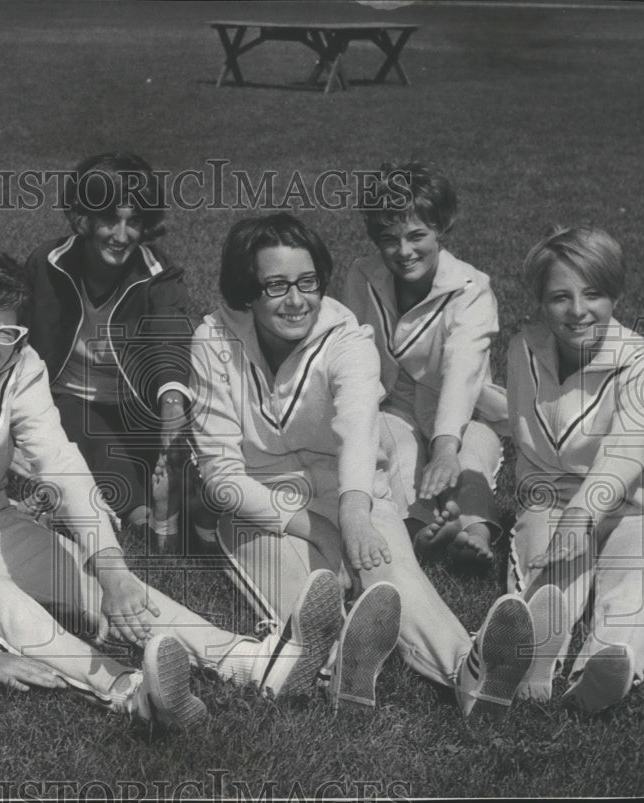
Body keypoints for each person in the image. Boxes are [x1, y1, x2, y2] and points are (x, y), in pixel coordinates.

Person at [0, 245, 359, 729]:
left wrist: (113, 571)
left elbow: (62, 466)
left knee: (97, 584)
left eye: (6, 333)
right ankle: (131, 691)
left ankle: (251, 661)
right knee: (2, 600)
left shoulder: (23, 366)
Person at [191, 213, 536, 717]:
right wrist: (323, 532)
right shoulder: (212, 341)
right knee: (314, 590)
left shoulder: (348, 336)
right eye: (276, 286)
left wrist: (353, 517)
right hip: (256, 504)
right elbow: (221, 479)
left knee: (394, 572)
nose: (296, 300)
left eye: (308, 282)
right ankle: (335, 666)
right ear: (247, 290)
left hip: (344, 486)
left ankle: (469, 669)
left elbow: (357, 430)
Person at [506, 226, 644, 713]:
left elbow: (624, 452)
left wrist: (583, 516)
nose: (577, 310)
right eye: (560, 296)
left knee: (636, 580)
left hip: (639, 505)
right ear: (540, 301)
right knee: (550, 574)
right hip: (552, 498)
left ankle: (605, 662)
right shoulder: (523, 350)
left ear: (615, 293)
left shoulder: (643, 364)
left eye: (593, 293)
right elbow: (525, 437)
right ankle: (535, 653)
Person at [22, 152, 194, 549]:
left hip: (137, 400)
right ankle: (140, 514)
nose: (120, 236)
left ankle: (186, 504)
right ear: (83, 217)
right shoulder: (47, 263)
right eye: (108, 219)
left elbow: (171, 335)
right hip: (70, 396)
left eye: (133, 221)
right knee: (89, 434)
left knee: (179, 442)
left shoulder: (158, 273)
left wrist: (171, 402)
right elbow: (17, 331)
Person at [343, 162, 506, 570]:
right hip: (394, 403)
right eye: (389, 240)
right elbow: (348, 348)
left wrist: (446, 446)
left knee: (471, 457)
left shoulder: (471, 288)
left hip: (463, 408)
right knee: (393, 453)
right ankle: (422, 532)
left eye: (417, 236)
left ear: (442, 229)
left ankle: (476, 535)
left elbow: (462, 370)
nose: (404, 251)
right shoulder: (363, 276)